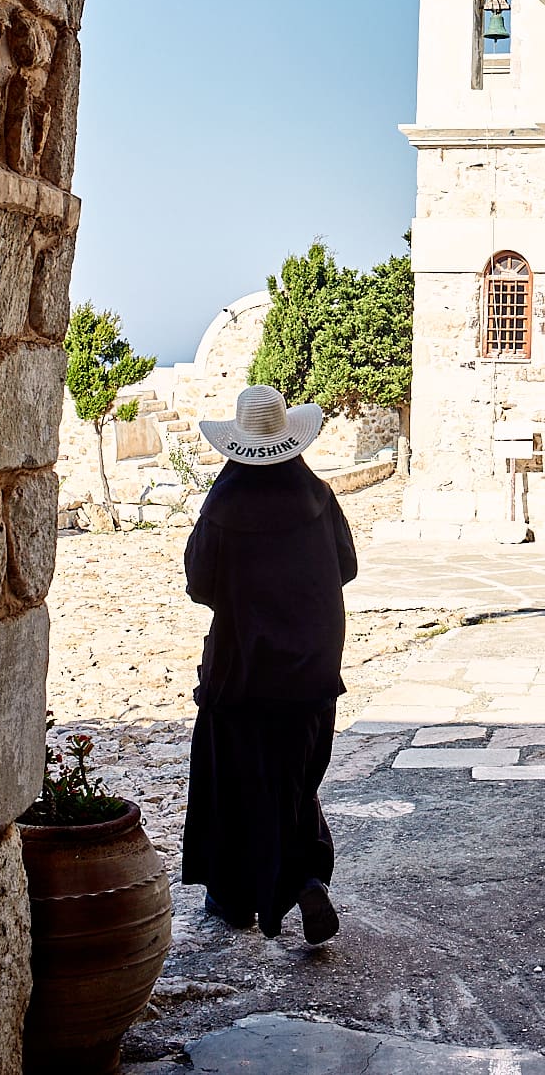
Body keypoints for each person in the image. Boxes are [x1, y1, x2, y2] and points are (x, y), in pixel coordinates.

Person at [180, 384, 357, 943]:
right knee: (293, 781)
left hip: (242, 675)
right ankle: (305, 878)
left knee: (234, 781)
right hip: (312, 672)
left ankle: (233, 897)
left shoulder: (224, 505)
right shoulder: (318, 496)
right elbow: (346, 568)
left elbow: (199, 583)